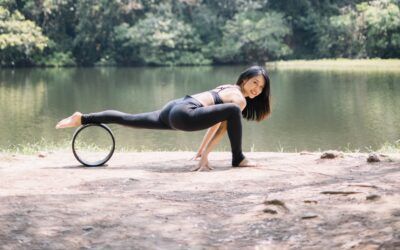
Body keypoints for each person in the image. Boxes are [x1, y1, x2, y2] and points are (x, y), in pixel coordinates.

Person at [56, 66, 271, 171]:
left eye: (261, 87)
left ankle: (83, 118)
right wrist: (206, 154)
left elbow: (214, 120)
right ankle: (238, 158)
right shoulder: (239, 100)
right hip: (185, 113)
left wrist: (201, 150)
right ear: (244, 80)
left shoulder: (227, 87)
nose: (256, 89)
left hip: (174, 108)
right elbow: (222, 125)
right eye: (254, 83)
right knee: (233, 111)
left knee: (129, 119)